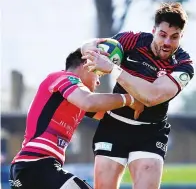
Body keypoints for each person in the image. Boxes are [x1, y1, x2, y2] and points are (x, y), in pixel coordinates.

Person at [81, 2, 195, 189]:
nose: (167, 43)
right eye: (162, 35)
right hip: (114, 125)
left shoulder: (183, 66)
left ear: (181, 36)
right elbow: (89, 47)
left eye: (174, 37)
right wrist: (92, 50)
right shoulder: (131, 40)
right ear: (153, 30)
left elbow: (152, 97)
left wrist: (113, 69)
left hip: (150, 132)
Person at [9, 48, 144, 189]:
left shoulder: (74, 100)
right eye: (98, 75)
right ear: (86, 64)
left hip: (29, 169)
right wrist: (129, 99)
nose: (98, 82)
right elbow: (90, 101)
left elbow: (110, 115)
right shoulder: (64, 77)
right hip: (36, 165)